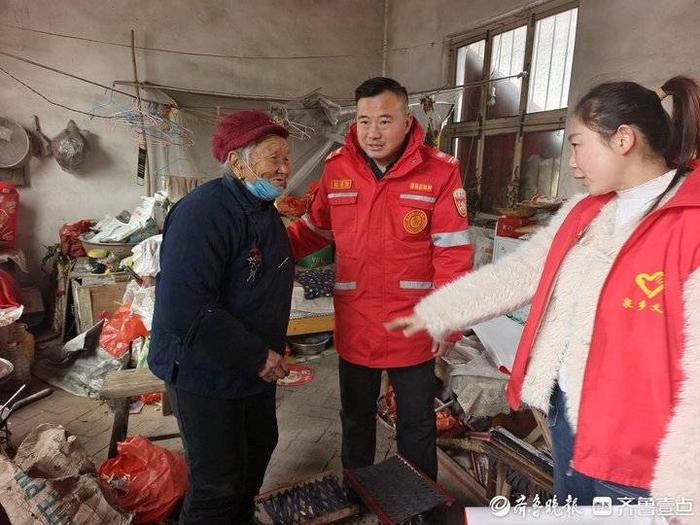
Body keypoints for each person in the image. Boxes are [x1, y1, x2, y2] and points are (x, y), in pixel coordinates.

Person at [387, 76, 700, 511]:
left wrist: (687, 490)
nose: (571, 162)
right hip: (569, 419)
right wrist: (440, 310)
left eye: (576, 144)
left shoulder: (690, 225)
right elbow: (521, 273)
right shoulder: (586, 211)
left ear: (624, 139)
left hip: (640, 454)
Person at [287, 77, 473, 481]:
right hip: (356, 324)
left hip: (414, 326)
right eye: (363, 121)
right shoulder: (336, 169)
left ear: (408, 121)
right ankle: (360, 491)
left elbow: (453, 251)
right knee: (355, 420)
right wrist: (262, 247)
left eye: (385, 120)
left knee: (416, 424)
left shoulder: (439, 173)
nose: (373, 132)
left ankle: (421, 501)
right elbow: (313, 231)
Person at [148, 110, 295, 524]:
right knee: (217, 481)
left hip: (251, 365)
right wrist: (257, 356)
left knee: (259, 447)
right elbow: (187, 308)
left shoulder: (262, 208)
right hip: (203, 368)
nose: (284, 169)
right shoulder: (203, 213)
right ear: (237, 162)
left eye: (286, 158)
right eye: (273, 159)